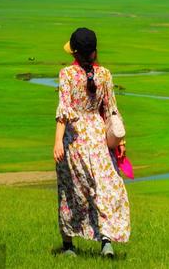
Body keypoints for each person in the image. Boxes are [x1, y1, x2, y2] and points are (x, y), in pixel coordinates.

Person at [53, 27, 131, 258]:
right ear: (94, 52)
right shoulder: (105, 75)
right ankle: (106, 242)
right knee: (103, 189)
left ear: (74, 53)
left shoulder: (67, 74)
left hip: (74, 139)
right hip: (99, 139)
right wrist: (120, 140)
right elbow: (111, 109)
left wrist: (58, 142)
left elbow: (64, 112)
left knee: (72, 191)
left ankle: (68, 246)